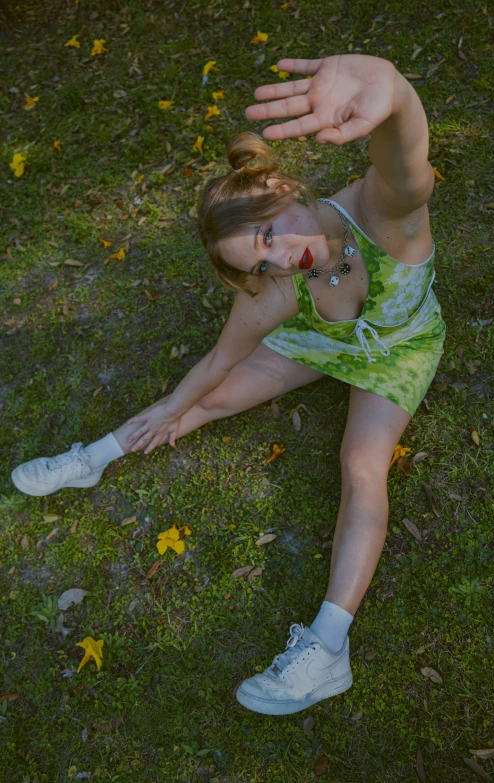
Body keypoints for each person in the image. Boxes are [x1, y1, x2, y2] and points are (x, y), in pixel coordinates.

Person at [11, 54, 445, 715]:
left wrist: (399, 95)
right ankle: (93, 459)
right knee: (207, 398)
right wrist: (173, 408)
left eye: (270, 233)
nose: (279, 258)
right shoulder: (277, 286)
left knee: (361, 464)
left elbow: (406, 170)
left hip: (398, 350)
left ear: (285, 189)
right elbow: (215, 366)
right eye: (261, 260)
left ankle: (327, 649)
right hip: (325, 344)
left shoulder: (381, 216)